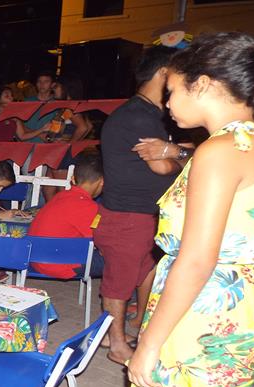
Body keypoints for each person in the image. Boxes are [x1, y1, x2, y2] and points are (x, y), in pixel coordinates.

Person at [125, 33, 254, 387]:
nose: (167, 104)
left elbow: (196, 258)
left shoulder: (220, 151)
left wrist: (148, 342)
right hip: (249, 312)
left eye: (172, 91)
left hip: (208, 321)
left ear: (205, 85)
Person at [94, 45, 183, 364]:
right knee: (118, 282)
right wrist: (181, 154)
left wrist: (174, 152)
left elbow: (167, 158)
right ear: (163, 73)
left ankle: (119, 331)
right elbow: (161, 165)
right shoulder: (137, 116)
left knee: (144, 273)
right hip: (127, 215)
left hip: (140, 214)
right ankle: (116, 343)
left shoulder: (148, 115)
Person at [28, 150, 104, 279]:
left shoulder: (60, 197)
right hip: (59, 264)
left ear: (73, 179)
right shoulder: (87, 206)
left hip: (36, 260)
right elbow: (102, 243)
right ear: (101, 181)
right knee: (125, 259)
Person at [20, 71, 61, 143]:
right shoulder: (27, 102)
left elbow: (58, 127)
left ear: (52, 85)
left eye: (46, 81)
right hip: (26, 145)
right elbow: (19, 125)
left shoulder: (57, 104)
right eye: (39, 81)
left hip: (45, 147)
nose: (42, 84)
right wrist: (40, 133)